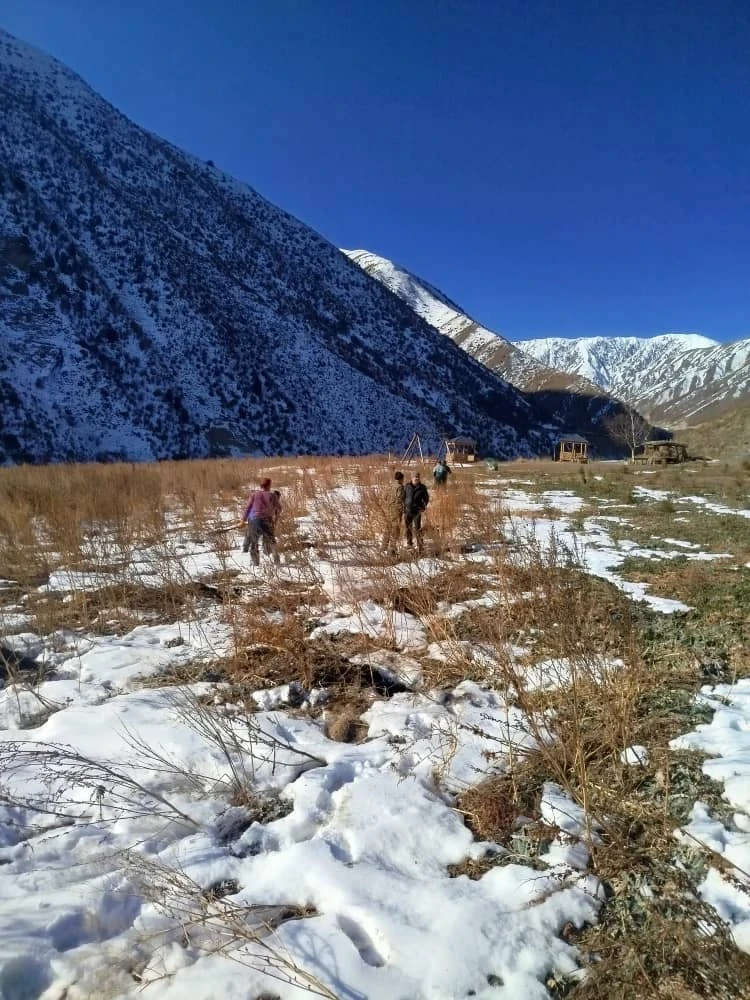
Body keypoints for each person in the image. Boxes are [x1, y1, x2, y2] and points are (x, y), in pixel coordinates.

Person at [241, 478, 281, 566]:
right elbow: (279, 509)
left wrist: (243, 520)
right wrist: (275, 520)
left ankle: (255, 564)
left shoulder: (254, 495)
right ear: (269, 485)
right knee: (271, 541)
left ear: (261, 486)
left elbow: (248, 508)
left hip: (254, 520)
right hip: (267, 519)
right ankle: (277, 562)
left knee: (254, 542)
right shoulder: (272, 495)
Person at [404, 473, 429, 553]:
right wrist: (403, 506)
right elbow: (403, 497)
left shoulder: (422, 487)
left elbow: (426, 498)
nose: (416, 480)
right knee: (408, 528)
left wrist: (423, 507)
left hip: (417, 511)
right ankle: (409, 543)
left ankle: (420, 544)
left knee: (417, 528)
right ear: (411, 478)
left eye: (418, 478)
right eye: (415, 478)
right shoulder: (407, 486)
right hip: (407, 510)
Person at [381, 471, 405, 555]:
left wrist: (389, 503)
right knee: (395, 528)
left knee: (388, 527)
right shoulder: (400, 487)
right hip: (396, 509)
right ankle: (392, 549)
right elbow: (399, 498)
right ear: (401, 479)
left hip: (388, 508)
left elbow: (384, 497)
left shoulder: (389, 485)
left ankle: (383, 546)